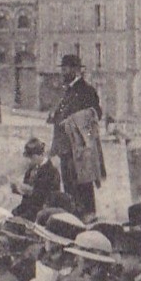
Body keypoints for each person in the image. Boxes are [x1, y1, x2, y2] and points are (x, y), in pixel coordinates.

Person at [46, 55, 103, 218]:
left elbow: (96, 113)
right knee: (69, 183)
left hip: (79, 148)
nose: (63, 73)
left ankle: (87, 215)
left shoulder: (86, 90)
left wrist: (72, 120)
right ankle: (74, 216)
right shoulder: (67, 91)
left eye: (65, 69)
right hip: (65, 147)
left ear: (75, 70)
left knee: (83, 183)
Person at [11, 137, 61, 222]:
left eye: (33, 157)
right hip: (28, 206)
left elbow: (45, 196)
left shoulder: (51, 171)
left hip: (42, 209)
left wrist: (30, 190)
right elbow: (26, 195)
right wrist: (17, 189)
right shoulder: (30, 170)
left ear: (41, 155)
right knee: (12, 214)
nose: (30, 160)